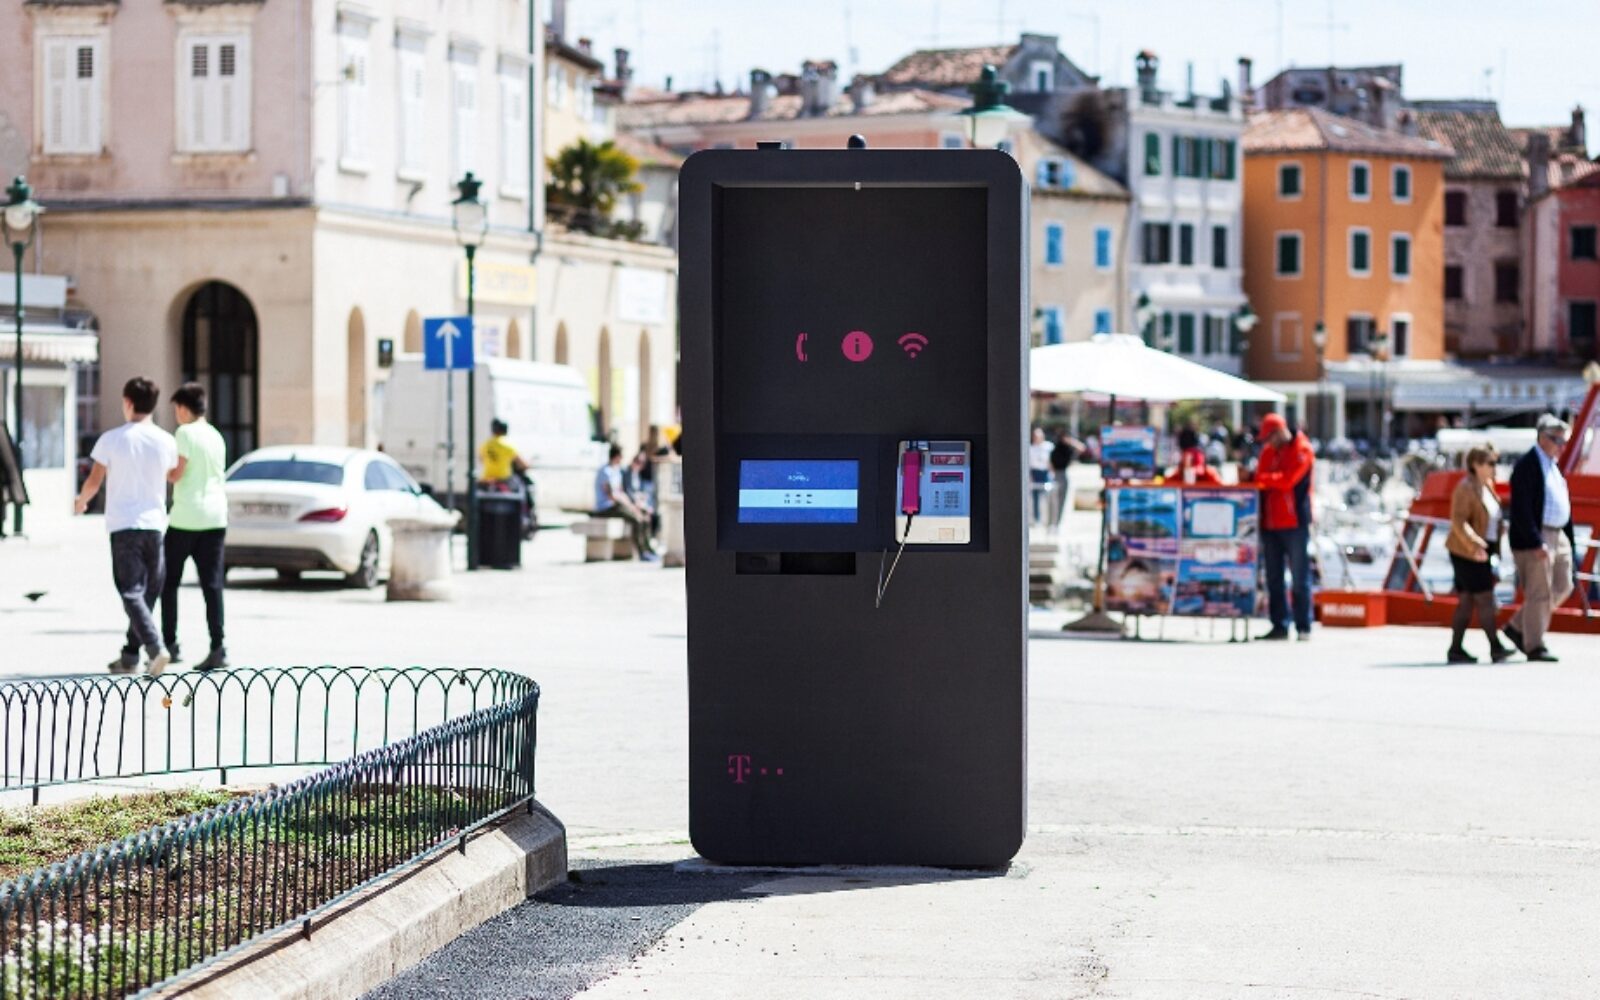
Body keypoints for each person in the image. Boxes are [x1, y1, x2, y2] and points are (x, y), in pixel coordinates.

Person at [73, 377, 178, 675]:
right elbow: (172, 475)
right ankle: (130, 656)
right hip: (155, 525)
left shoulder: (112, 439)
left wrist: (80, 502)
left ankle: (154, 648)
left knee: (131, 592)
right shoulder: (166, 441)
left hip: (124, 525)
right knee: (146, 594)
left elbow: (94, 481)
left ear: (128, 402)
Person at [160, 383, 229, 671]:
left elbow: (177, 473)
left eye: (176, 408)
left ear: (184, 408)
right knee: (212, 585)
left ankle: (170, 644)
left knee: (169, 582)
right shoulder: (216, 435)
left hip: (186, 518)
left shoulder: (185, 433)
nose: (176, 414)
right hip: (215, 517)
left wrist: (164, 471)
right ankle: (218, 646)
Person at [1504, 414, 1575, 662]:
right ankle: (1534, 645)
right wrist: (1535, 540)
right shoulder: (1527, 465)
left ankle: (1517, 626)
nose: (1562, 446)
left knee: (1563, 585)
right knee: (1539, 592)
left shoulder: (1552, 465)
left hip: (1557, 533)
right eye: (1558, 440)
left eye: (1564, 441)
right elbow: (1521, 508)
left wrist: (1569, 539)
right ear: (1543, 438)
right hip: (1538, 534)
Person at [1444, 447, 1511, 664]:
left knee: (1466, 601)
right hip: (1467, 551)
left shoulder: (1487, 486)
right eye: (1490, 463)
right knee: (1485, 598)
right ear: (1476, 465)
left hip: (1483, 550)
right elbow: (1458, 521)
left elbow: (1491, 518)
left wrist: (1498, 532)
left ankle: (1456, 649)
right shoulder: (1465, 488)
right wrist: (1475, 544)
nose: (1494, 467)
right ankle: (1495, 647)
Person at [1253, 412, 1315, 641]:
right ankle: (1279, 625)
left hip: (1294, 522)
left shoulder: (1302, 449)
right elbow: (1261, 477)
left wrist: (1266, 478)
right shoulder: (1267, 452)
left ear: (1279, 432)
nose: (1268, 443)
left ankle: (1303, 626)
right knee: (1273, 578)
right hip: (1270, 522)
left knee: (1299, 577)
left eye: (1269, 437)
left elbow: (1288, 480)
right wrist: (1268, 478)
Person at [595, 444, 656, 561]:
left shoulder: (616, 471)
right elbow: (612, 496)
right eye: (621, 456)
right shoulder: (605, 472)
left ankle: (648, 549)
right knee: (637, 519)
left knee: (644, 516)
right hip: (606, 507)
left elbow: (621, 493)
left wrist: (632, 506)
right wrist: (630, 507)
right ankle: (641, 552)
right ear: (617, 456)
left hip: (616, 506)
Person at [1048, 430, 1084, 526]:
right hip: (1057, 475)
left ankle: (1056, 523)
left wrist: (1072, 441)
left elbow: (1081, 448)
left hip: (1062, 474)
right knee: (1054, 501)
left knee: (1060, 501)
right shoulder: (1056, 449)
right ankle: (1052, 523)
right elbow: (1050, 463)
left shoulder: (1068, 449)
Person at [1028, 427, 1053, 525]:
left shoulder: (1048, 446)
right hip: (1035, 473)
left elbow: (1052, 461)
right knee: (1035, 497)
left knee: (1048, 496)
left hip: (1046, 473)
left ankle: (1048, 519)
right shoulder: (1030, 448)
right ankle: (1036, 518)